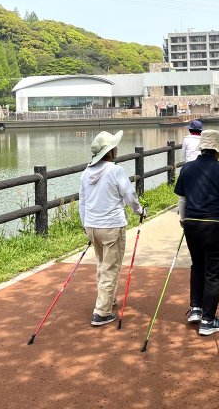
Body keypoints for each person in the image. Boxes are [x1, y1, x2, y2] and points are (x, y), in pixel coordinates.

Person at [174, 129, 219, 336]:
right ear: (218, 149)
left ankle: (196, 309)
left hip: (192, 224)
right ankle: (208, 320)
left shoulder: (187, 168)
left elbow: (182, 198)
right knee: (214, 271)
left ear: (201, 147)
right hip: (216, 224)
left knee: (197, 265)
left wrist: (183, 219)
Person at [79, 130, 146, 326]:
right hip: (111, 226)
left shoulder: (86, 173)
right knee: (110, 268)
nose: (117, 149)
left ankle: (108, 299)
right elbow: (130, 195)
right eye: (114, 147)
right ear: (109, 151)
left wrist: (85, 224)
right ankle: (101, 312)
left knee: (102, 264)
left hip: (92, 225)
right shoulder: (116, 171)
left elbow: (82, 201)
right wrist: (140, 211)